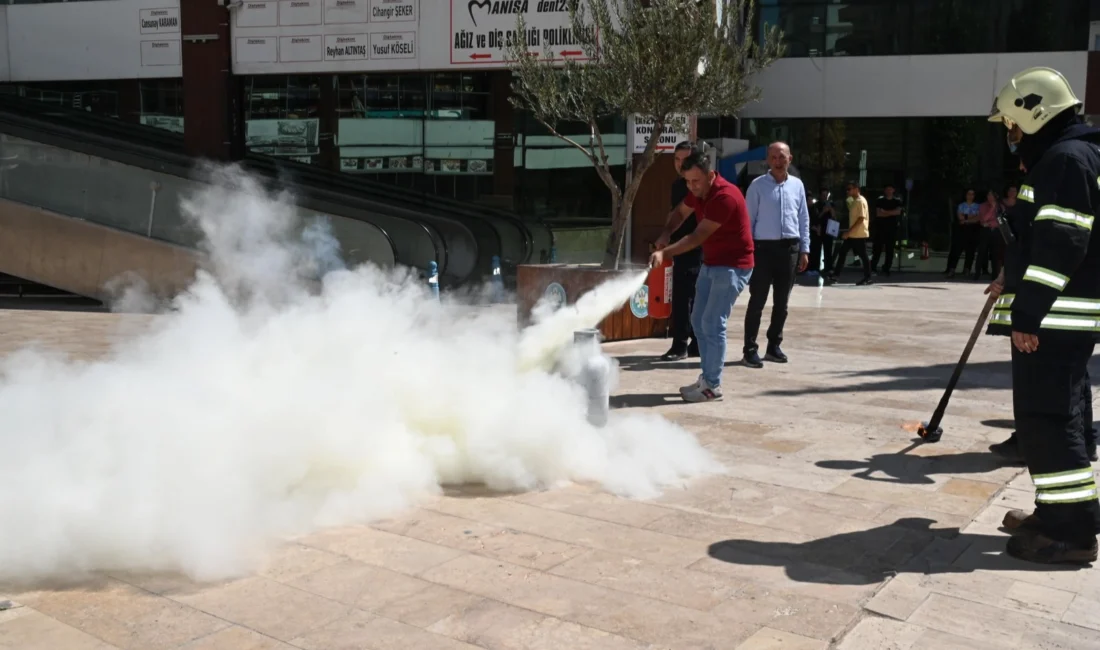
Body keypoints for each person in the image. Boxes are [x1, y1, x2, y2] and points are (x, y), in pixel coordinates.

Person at [984, 65, 1100, 564]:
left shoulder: (1065, 160)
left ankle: (1070, 532)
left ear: (1035, 113)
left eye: (1013, 124)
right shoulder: (1073, 156)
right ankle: (1057, 511)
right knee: (1058, 417)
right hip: (1063, 317)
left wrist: (1027, 314)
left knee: (1048, 422)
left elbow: (1062, 244)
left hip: (1054, 320)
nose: (1011, 135)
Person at [650, 151, 754, 403]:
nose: (691, 186)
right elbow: (679, 213)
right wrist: (666, 233)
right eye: (687, 181)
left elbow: (697, 236)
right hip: (712, 264)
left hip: (733, 267)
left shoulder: (725, 196)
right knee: (698, 320)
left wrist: (665, 252)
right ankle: (706, 378)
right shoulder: (698, 192)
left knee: (713, 323)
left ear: (710, 175)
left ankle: (712, 386)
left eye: (695, 181)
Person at [741, 142, 810, 367]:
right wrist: (748, 253)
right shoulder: (757, 186)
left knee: (782, 303)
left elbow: (803, 220)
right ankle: (750, 349)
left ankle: (774, 346)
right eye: (773, 157)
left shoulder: (797, 186)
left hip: (789, 250)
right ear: (767, 161)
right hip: (763, 250)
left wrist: (804, 249)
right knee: (757, 301)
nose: (778, 162)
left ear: (790, 158)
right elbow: (748, 222)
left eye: (782, 157)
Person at [657, 142, 702, 361]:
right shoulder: (677, 185)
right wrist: (665, 236)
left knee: (690, 297)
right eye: (676, 159)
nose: (680, 164)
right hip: (680, 246)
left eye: (685, 159)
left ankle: (682, 345)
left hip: (698, 246)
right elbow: (675, 214)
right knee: (685, 296)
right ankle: (690, 343)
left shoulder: (700, 186)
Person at [827, 181, 872, 286]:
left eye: (850, 189)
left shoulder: (860, 201)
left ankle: (868, 277)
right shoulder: (855, 201)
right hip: (853, 234)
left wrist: (848, 232)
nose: (848, 191)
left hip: (858, 234)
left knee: (863, 256)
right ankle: (836, 275)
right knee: (843, 252)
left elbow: (861, 219)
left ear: (856, 189)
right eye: (847, 189)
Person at [946, 189, 981, 278]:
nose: (970, 196)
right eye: (968, 194)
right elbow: (960, 217)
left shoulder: (978, 206)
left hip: (973, 230)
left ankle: (967, 269)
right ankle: (952, 269)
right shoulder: (961, 205)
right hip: (962, 230)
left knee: (970, 251)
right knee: (957, 249)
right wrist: (970, 217)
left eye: (972, 194)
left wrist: (966, 218)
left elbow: (978, 218)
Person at [871, 183, 904, 276]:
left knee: (890, 250)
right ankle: (873, 267)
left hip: (892, 229)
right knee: (877, 249)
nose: (889, 191)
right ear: (885, 191)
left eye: (891, 189)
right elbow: (878, 214)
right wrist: (891, 213)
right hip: (880, 228)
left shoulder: (897, 201)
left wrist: (885, 212)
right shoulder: (880, 200)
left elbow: (898, 212)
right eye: (887, 189)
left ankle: (886, 268)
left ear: (893, 190)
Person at [974, 190, 1003, 280]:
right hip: (985, 231)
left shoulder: (1000, 206)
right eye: (988, 195)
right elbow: (983, 219)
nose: (990, 197)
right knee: (982, 252)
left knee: (995, 253)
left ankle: (995, 275)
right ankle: (977, 273)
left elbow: (1001, 220)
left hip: (996, 231)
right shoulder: (983, 206)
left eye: (992, 195)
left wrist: (990, 222)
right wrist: (991, 209)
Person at [809, 189, 837, 277]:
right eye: (823, 195)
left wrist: (831, 209)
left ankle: (828, 267)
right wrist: (823, 211)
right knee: (816, 249)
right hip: (819, 230)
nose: (825, 197)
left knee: (828, 249)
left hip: (828, 230)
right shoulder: (816, 205)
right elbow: (816, 218)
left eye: (826, 195)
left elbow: (834, 217)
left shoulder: (831, 204)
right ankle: (815, 267)